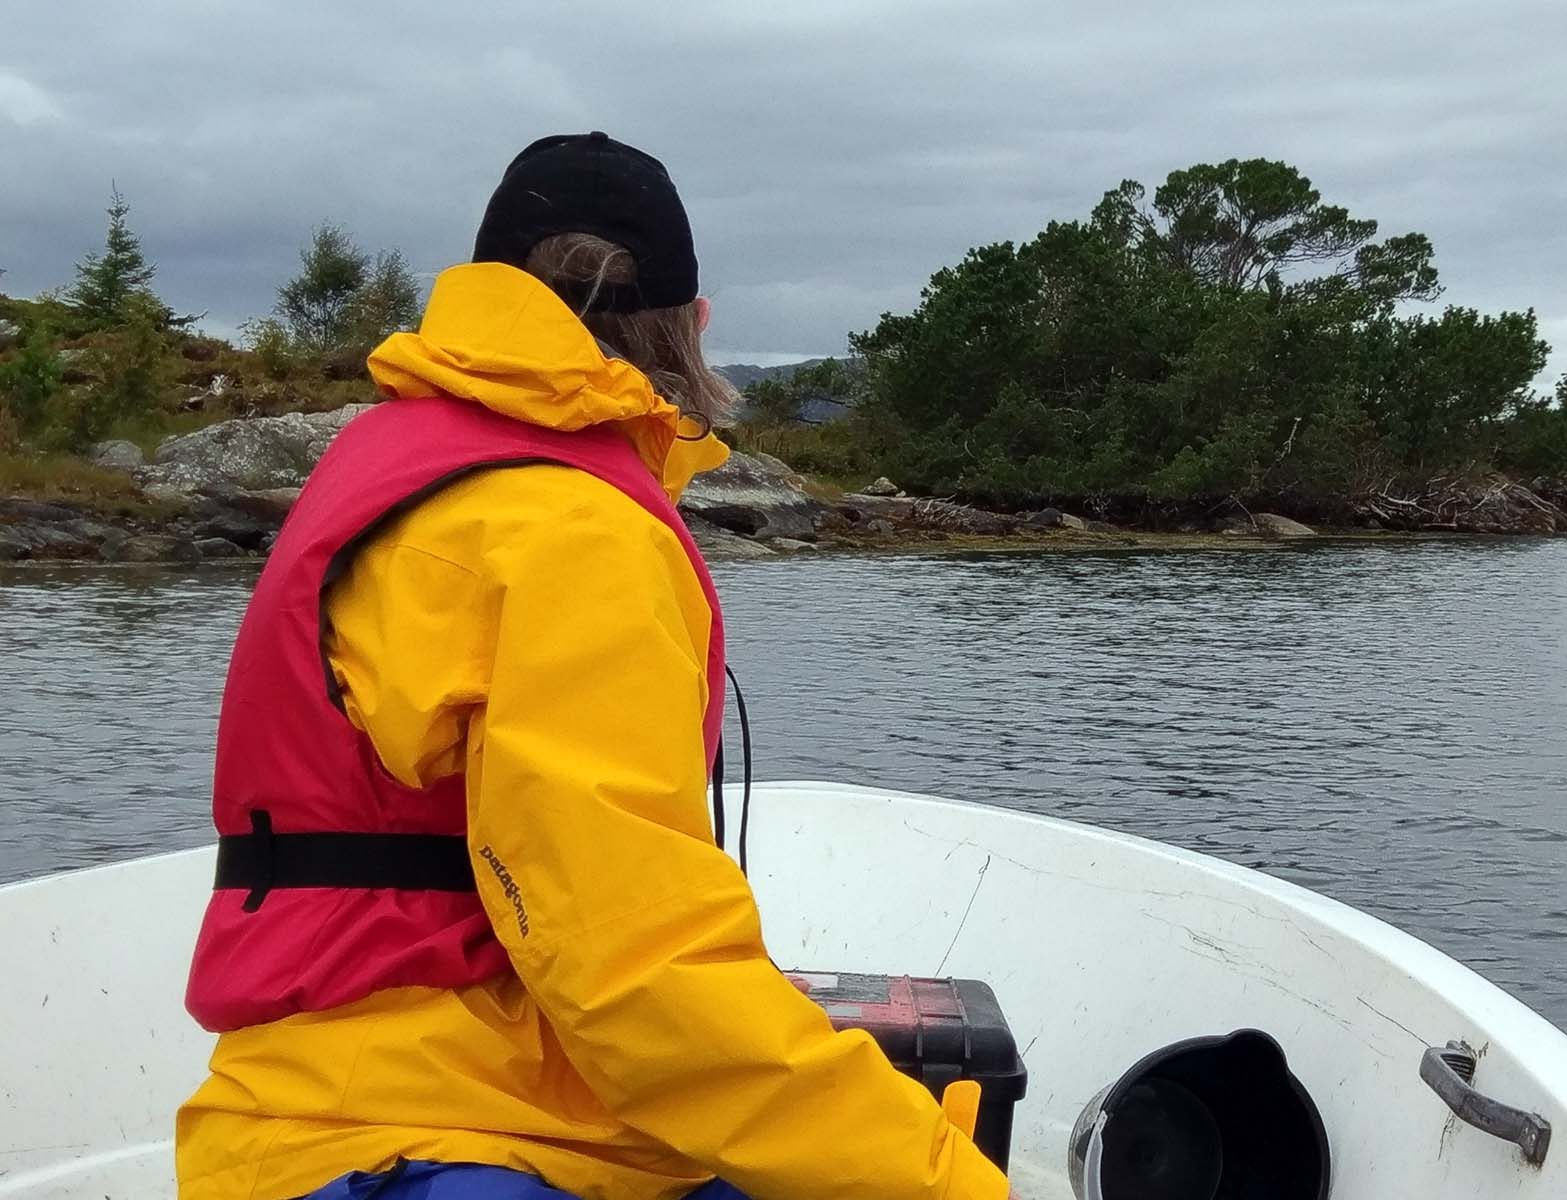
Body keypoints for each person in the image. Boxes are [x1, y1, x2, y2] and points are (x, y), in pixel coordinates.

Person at [176, 133, 1009, 1200]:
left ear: (480, 298)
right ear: (695, 325)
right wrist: (948, 1180)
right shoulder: (572, 533)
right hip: (435, 1144)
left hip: (314, 1115)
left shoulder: (390, 458)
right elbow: (630, 969)